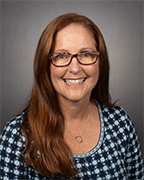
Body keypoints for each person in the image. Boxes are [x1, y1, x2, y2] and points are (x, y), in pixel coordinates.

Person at [0, 13, 144, 180]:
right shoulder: (18, 136)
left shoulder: (120, 123)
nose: (75, 68)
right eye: (61, 56)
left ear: (100, 61)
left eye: (86, 54)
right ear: (45, 65)